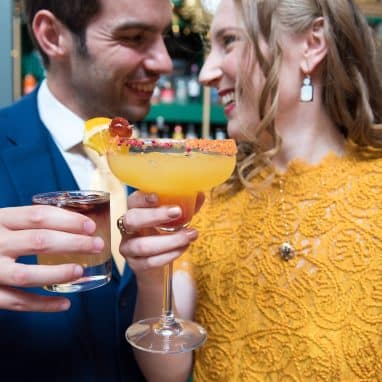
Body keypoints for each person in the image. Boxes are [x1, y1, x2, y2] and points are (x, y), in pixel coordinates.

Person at [121, 0, 382, 380]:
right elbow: (167, 373)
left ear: (311, 45)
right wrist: (150, 276)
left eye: (229, 41)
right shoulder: (206, 197)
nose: (207, 73)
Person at [0, 0, 195, 381]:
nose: (165, 63)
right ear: (52, 36)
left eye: (164, 37)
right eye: (135, 37)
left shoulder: (165, 166)